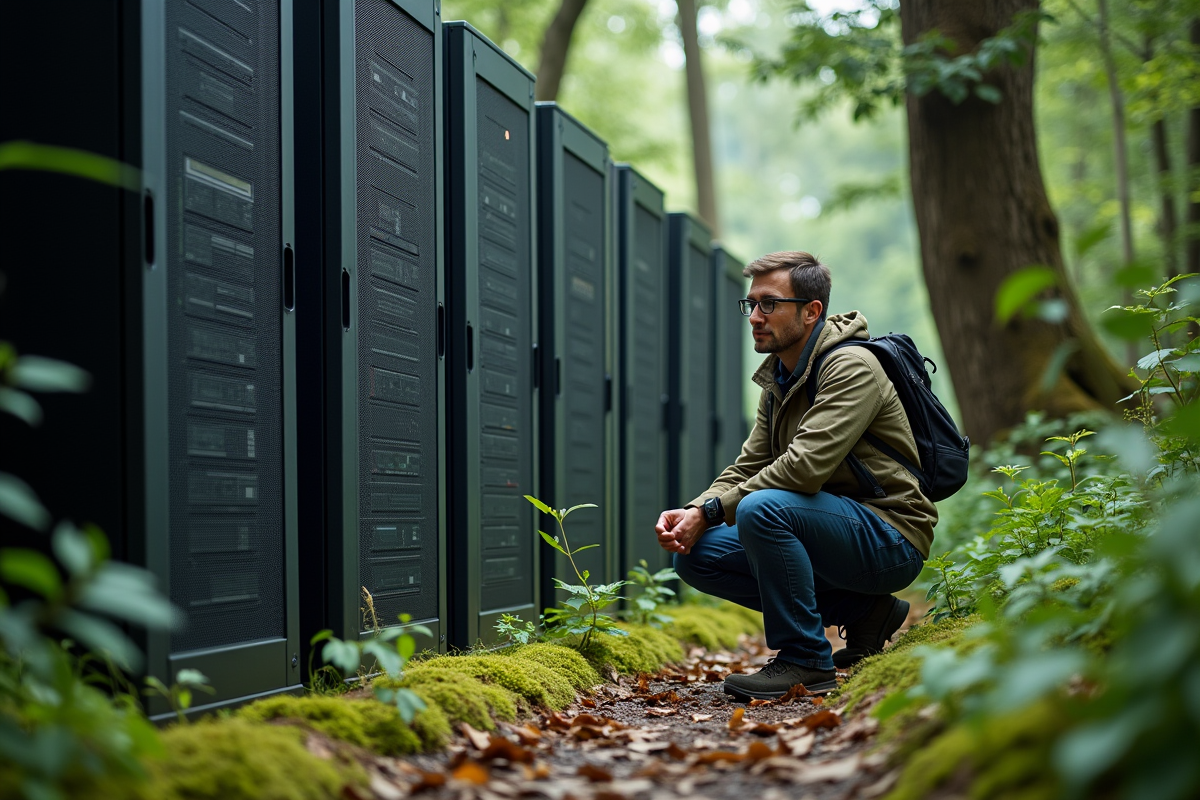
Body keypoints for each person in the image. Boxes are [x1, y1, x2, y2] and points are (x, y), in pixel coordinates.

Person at [655, 251, 937, 701]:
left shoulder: (851, 367)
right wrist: (694, 512)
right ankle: (864, 612)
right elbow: (749, 465)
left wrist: (712, 511)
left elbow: (803, 468)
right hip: (830, 529)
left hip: (891, 535)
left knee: (762, 508)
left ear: (811, 311)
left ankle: (806, 658)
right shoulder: (781, 378)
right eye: (751, 304)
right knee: (697, 555)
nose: (755, 317)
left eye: (769, 304)